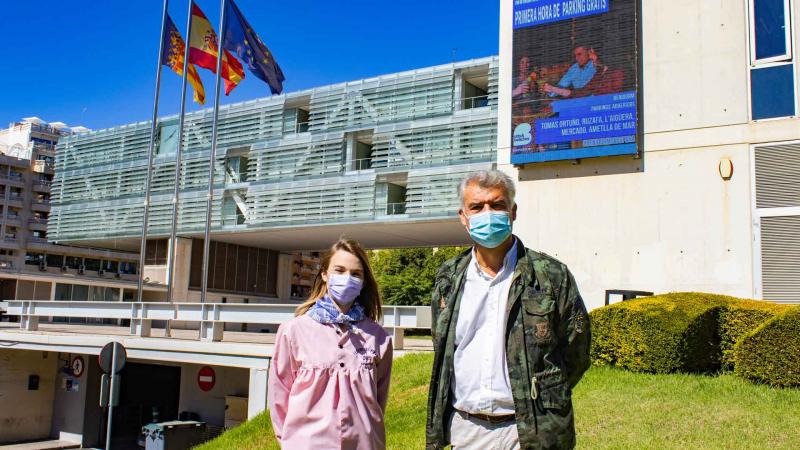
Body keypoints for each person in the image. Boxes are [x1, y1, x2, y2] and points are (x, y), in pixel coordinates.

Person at [426, 170, 591, 450]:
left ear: (512, 212)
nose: (487, 213)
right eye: (477, 207)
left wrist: (543, 394)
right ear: (463, 216)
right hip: (466, 429)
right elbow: (443, 347)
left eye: (497, 205)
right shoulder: (448, 279)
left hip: (531, 431)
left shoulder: (551, 275)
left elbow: (576, 352)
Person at [268, 237, 393, 449]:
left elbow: (379, 400)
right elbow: (279, 396)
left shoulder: (378, 337)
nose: (347, 278)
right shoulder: (294, 331)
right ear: (325, 274)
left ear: (363, 282)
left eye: (356, 274)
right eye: (340, 270)